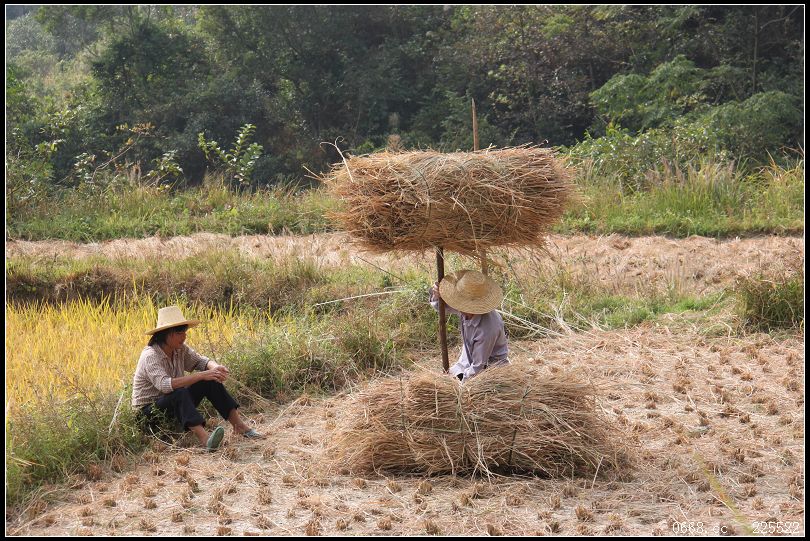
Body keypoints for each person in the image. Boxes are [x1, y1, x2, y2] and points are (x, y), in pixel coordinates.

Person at [131, 305, 262, 451]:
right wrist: (201, 375)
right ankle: (206, 440)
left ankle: (240, 427)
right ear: (166, 334)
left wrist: (215, 368)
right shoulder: (150, 356)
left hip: (172, 406)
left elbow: (201, 361)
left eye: (185, 331)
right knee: (181, 391)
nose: (184, 336)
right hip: (148, 415)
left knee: (210, 380)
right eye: (180, 332)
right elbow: (165, 385)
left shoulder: (180, 349)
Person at [430, 269, 509, 383]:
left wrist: (457, 386)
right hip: (468, 360)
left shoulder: (487, 329)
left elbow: (478, 367)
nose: (458, 307)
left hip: (490, 369)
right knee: (446, 377)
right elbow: (440, 307)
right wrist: (437, 295)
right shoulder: (465, 308)